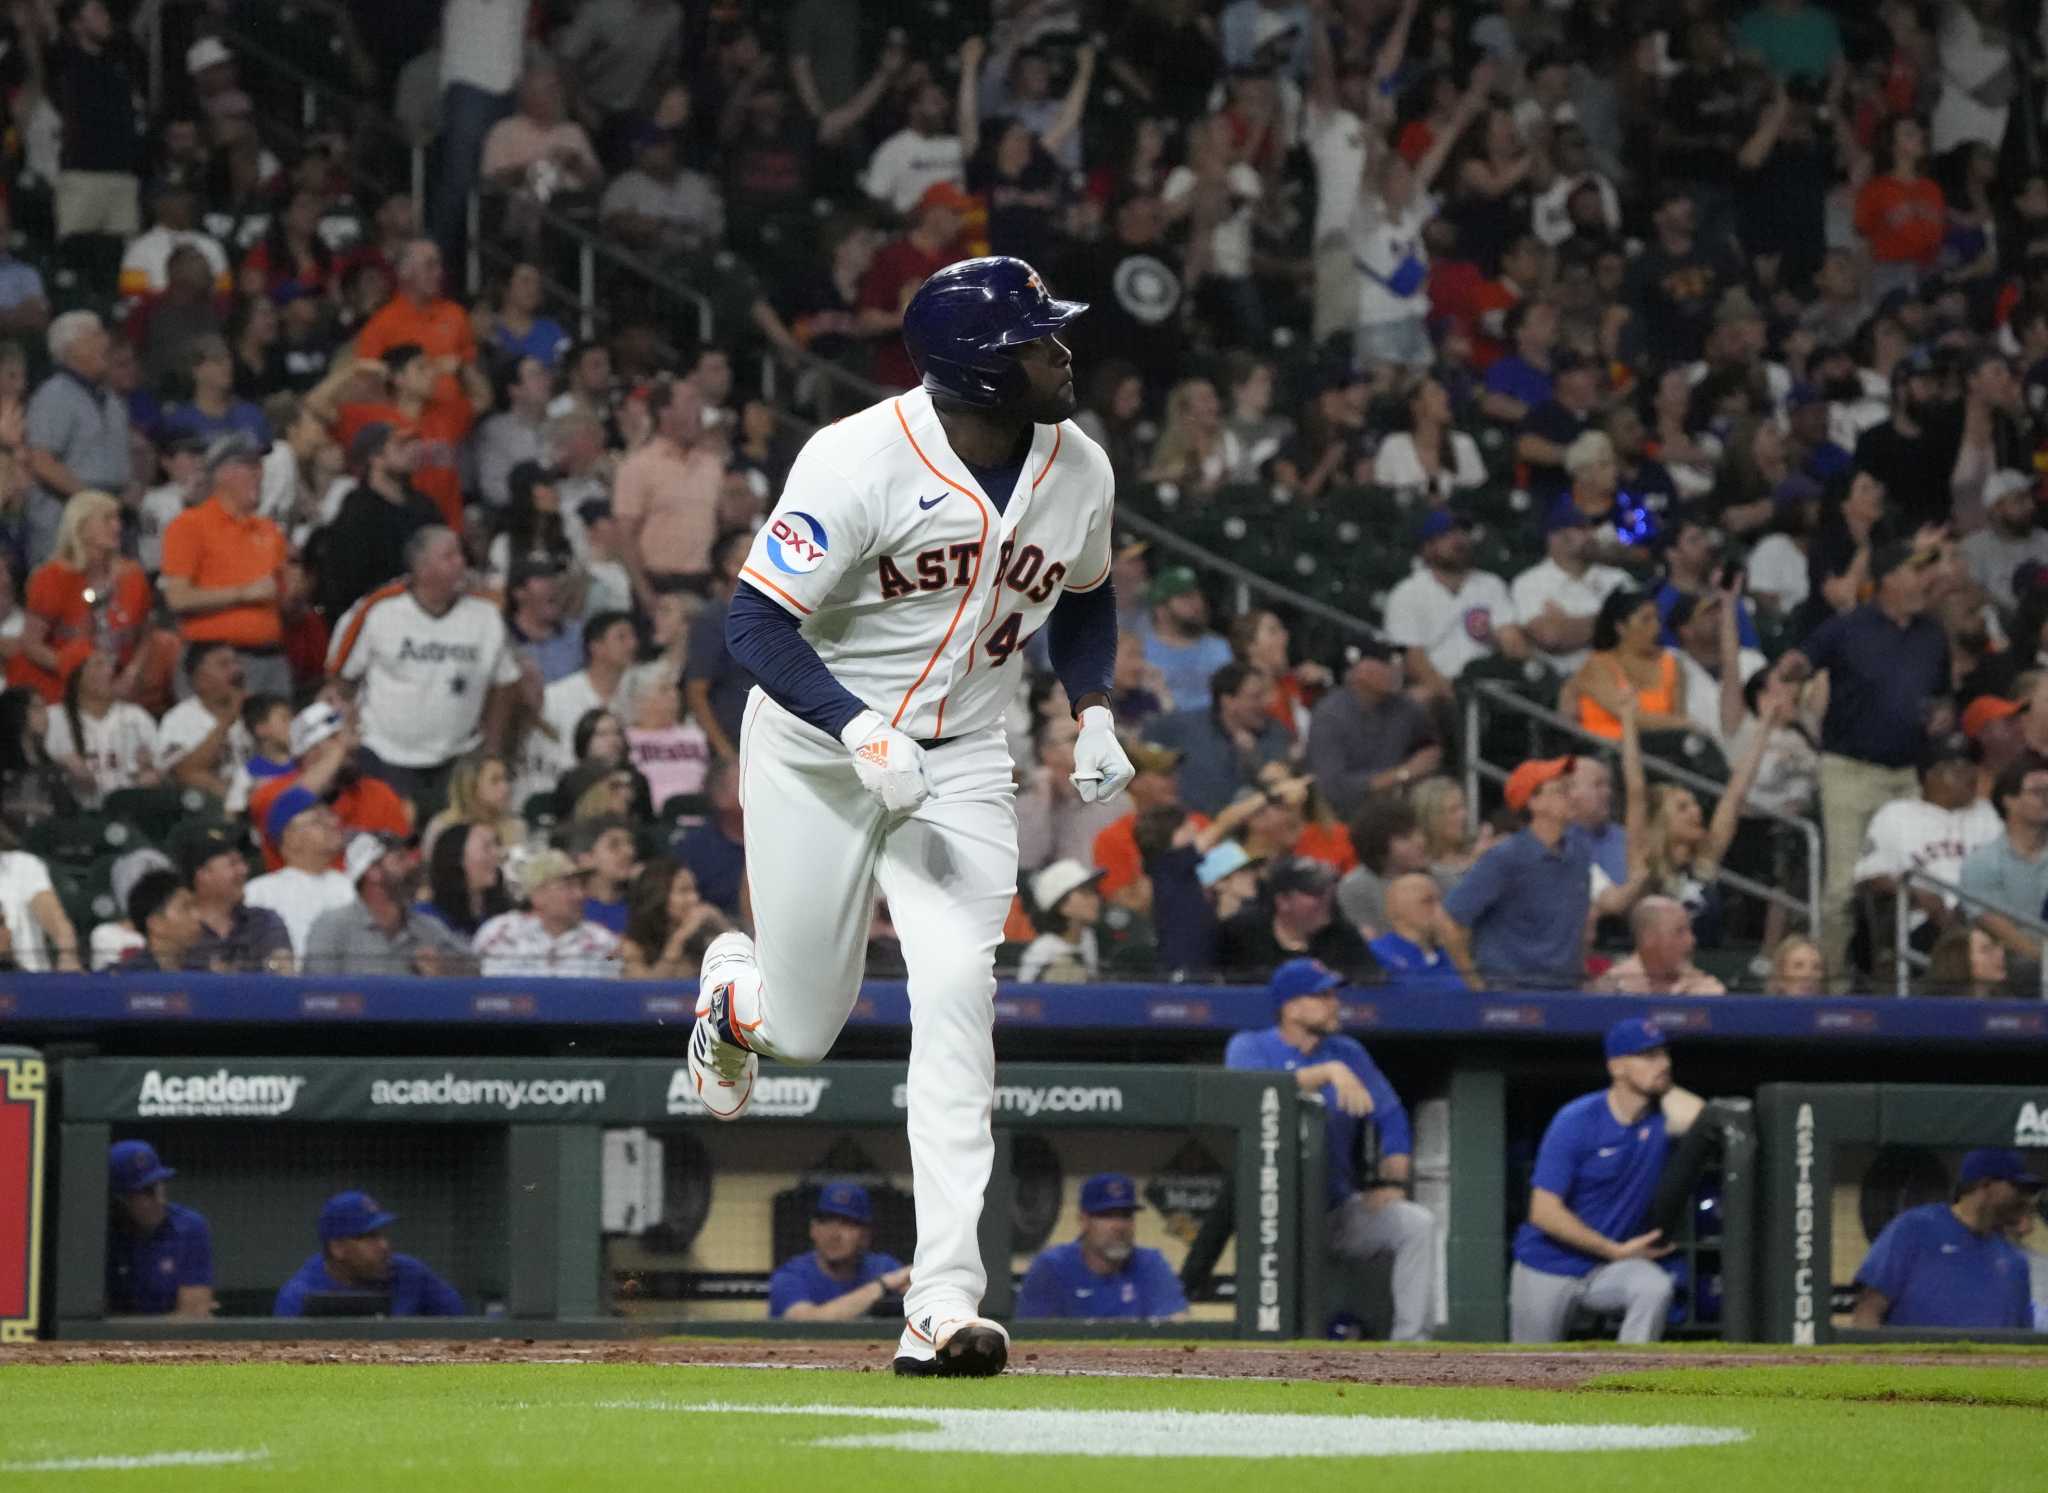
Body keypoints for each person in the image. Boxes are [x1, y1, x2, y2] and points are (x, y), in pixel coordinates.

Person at [694, 256, 1132, 1379]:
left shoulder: (1077, 464)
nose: (1062, 352)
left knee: (955, 995)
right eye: (1041, 341)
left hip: (963, 764)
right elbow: (753, 624)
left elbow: (1084, 594)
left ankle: (940, 1304)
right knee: (804, 1027)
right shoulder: (856, 457)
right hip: (813, 751)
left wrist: (1090, 707)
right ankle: (733, 996)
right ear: (984, 369)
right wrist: (853, 727)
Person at [1225, 959, 1436, 1340]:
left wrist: (1394, 1183)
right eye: (1322, 995)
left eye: (1333, 994)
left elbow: (1390, 1119)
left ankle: (1411, 1347)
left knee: (1416, 1224)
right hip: (1272, 1218)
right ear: (1290, 1007)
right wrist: (1327, 1073)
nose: (1335, 1003)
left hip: (1334, 1209)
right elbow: (1250, 1095)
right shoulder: (1249, 1046)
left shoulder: (1347, 1051)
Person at [1775, 538, 1953, 984]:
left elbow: (1944, 697)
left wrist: (1942, 716)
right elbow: (1804, 657)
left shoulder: (1932, 636)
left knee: (1915, 889)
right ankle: (1831, 987)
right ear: (1888, 579)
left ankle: (1907, 987)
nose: (1926, 580)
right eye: (1916, 570)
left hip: (1907, 777)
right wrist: (1792, 667)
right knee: (1840, 891)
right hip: (1849, 771)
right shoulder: (1849, 627)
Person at [1509, 1018, 1705, 1343]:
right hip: (1548, 1264)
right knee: (1527, 1371)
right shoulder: (1578, 1119)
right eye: (1648, 1056)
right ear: (1617, 1067)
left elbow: (1704, 1119)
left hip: (1609, 1268)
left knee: (1653, 1287)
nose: (1663, 1063)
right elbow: (1543, 1211)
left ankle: (1627, 1384)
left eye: (1664, 1054)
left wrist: (1664, 1083)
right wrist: (1612, 1249)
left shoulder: (1661, 1120)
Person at [328, 527, 522, 820]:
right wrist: (346, 735)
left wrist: (491, 750)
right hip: (384, 755)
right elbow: (341, 677)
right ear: (421, 568)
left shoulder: (485, 615)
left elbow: (505, 683)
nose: (461, 563)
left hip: (458, 757)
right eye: (449, 556)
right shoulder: (378, 609)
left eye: (460, 554)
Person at [158, 434, 291, 698]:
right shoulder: (190, 525)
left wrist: (293, 593)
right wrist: (243, 594)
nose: (260, 474)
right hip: (216, 663)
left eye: (260, 466)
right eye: (250, 466)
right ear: (223, 473)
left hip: (271, 659)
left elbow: (280, 599)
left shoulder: (269, 530)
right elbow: (177, 598)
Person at [1851, 1149, 2040, 1330]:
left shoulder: (2015, 1262)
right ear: (1986, 1185)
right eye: (2018, 1188)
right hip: (1913, 1362)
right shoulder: (1913, 1229)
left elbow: (2024, 1340)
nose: (2025, 1198)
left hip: (1988, 1363)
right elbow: (1867, 1312)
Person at [1853, 733, 2000, 952]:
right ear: (1930, 775)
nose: (1970, 776)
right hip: (1924, 924)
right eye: (1958, 768)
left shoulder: (1986, 813)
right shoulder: (1896, 815)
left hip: (1985, 921)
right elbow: (1868, 878)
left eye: (1972, 767)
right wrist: (1916, 894)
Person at [17, 487, 153, 703]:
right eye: (107, 519)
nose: (117, 526)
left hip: (120, 687)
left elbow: (145, 636)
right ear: (81, 526)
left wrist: (132, 673)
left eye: (117, 519)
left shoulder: (133, 575)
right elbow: (31, 644)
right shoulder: (51, 577)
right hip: (63, 690)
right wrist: (79, 674)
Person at [1382, 510, 1529, 706]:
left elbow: (1512, 639)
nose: (1458, 541)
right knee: (1418, 698)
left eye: (1462, 533)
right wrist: (1451, 694)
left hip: (1487, 681)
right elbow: (1412, 658)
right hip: (1439, 686)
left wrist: (1516, 655)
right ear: (1428, 547)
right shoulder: (1407, 593)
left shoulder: (1490, 584)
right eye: (1446, 535)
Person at [23, 311, 131, 569]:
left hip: (113, 517)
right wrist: (90, 500)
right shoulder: (55, 395)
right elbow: (41, 461)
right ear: (70, 348)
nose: (105, 342)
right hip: (68, 520)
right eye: (95, 335)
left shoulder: (112, 399)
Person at [1013, 1170, 1189, 1321]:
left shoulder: (1151, 1263)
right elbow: (1030, 1345)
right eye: (1107, 1215)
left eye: (1125, 1215)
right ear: (1083, 1220)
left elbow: (1178, 1324)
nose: (1119, 1226)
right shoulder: (1052, 1267)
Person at [303, 832, 476, 977]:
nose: (412, 864)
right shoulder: (332, 927)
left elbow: (476, 969)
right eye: (400, 859)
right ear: (373, 872)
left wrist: (445, 969)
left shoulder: (426, 927)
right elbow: (315, 995)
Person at [274, 1190, 464, 1318]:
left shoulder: (410, 1273)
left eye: (382, 1234)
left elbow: (463, 1327)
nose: (384, 1245)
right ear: (337, 1248)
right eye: (369, 1237)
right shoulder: (298, 1296)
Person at [1305, 644, 1440, 821]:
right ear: (1362, 670)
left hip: (1395, 814)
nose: (1396, 668)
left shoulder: (1405, 707)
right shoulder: (1330, 716)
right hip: (1344, 820)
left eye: (1397, 662)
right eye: (1387, 663)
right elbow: (1334, 789)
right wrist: (1402, 774)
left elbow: (1431, 748)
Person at [1146, 662, 1290, 816]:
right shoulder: (1184, 726)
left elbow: (1279, 784)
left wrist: (1253, 758)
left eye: (1264, 695)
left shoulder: (1275, 733)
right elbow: (1143, 744)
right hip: (1192, 824)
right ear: (1228, 701)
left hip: (1251, 828)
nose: (1265, 703)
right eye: (1255, 697)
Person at [1513, 499, 1632, 678]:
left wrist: (1568, 623)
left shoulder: (1618, 578)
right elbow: (1551, 636)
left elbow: (1642, 632)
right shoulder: (1530, 582)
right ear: (1555, 537)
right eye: (1582, 528)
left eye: (1592, 528)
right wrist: (1613, 618)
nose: (1592, 535)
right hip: (1562, 685)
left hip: (1621, 680)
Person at [768, 1181, 911, 1322]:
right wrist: (881, 1286)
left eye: (847, 1224)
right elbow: (806, 1323)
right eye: (826, 1222)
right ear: (813, 1229)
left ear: (865, 1236)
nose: (834, 1235)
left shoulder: (884, 1267)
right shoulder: (791, 1275)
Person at [1217, 856, 1377, 980]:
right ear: (1283, 901)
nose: (1326, 898)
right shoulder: (1240, 933)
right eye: (1316, 892)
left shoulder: (1344, 937)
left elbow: (1370, 988)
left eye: (1329, 889)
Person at [472, 847, 620, 977]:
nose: (580, 895)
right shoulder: (500, 934)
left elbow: (615, 974)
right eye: (568, 887)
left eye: (581, 887)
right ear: (537, 895)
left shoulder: (602, 942)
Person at [104, 1140, 213, 1317]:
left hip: (174, 1344)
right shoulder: (103, 1234)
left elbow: (194, 1316)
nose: (159, 1199)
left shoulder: (189, 1227)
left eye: (159, 1185)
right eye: (147, 1191)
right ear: (121, 1198)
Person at [1959, 755, 2048, 972]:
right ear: (2008, 800)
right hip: (2013, 968)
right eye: (2038, 792)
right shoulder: (1981, 863)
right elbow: (2003, 932)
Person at [1564, 590, 1690, 742]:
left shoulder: (1672, 664)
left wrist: (1682, 725)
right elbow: (1628, 716)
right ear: (1621, 628)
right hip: (1603, 750)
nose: (1657, 627)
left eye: (1658, 619)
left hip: (1657, 753)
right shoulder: (1597, 665)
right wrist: (1689, 725)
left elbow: (1678, 721)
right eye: (1646, 620)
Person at [174, 820, 291, 974]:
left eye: (242, 862)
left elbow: (282, 976)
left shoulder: (264, 922)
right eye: (233, 863)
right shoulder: (174, 930)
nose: (244, 870)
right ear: (202, 874)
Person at [154, 641, 252, 799]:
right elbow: (183, 773)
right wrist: (226, 720)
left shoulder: (253, 708)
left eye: (236, 663)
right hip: (206, 806)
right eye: (224, 665)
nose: (236, 671)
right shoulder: (180, 718)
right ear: (199, 679)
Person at [1592, 896, 1728, 996]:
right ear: (1648, 938)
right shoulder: (1612, 988)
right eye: (1680, 931)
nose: (1691, 940)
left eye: (1689, 931)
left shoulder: (1701, 986)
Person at [1141, 567, 1233, 713]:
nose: (1197, 604)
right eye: (1186, 597)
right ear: (1161, 610)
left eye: (1198, 595)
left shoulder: (1219, 647)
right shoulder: (1140, 650)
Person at [619, 860, 727, 980]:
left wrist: (722, 924)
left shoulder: (704, 935)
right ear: (659, 896)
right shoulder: (633, 945)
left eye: (694, 890)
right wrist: (679, 939)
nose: (695, 898)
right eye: (684, 891)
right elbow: (648, 992)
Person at [1368, 873, 1470, 992]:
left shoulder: (1451, 953)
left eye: (1441, 900)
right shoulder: (1377, 954)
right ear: (1396, 910)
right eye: (1427, 901)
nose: (1440, 908)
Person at [1018, 858, 1106, 983]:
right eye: (1085, 893)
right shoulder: (1043, 950)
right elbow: (1027, 998)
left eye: (1094, 892)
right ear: (1062, 905)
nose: (1095, 899)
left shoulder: (1088, 938)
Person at [424, 822, 513, 940]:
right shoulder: (427, 919)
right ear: (457, 856)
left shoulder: (504, 917)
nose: (497, 854)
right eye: (486, 847)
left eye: (497, 846)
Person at [119, 868, 202, 972]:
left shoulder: (204, 972)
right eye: (186, 908)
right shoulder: (125, 981)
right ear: (156, 924)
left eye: (195, 906)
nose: (198, 916)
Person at [570, 814, 637, 934]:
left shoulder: (640, 907)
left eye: (630, 844)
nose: (629, 852)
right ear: (586, 858)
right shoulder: (571, 909)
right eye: (614, 845)